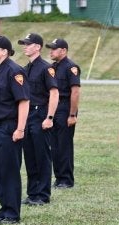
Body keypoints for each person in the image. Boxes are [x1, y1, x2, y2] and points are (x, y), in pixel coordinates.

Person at [0, 36, 30, 224]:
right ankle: (4, 209)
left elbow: (24, 101)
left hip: (9, 128)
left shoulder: (14, 71)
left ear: (4, 51)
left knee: (9, 172)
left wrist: (20, 129)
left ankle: (12, 214)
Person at [18, 33, 59, 205]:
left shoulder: (46, 67)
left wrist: (49, 117)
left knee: (42, 156)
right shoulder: (26, 68)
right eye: (24, 44)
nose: (25, 47)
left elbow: (54, 92)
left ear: (38, 47)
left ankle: (43, 194)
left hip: (40, 114)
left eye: (28, 44)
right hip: (28, 116)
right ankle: (32, 193)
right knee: (30, 155)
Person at [45, 38, 80, 189]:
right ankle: (58, 178)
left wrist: (72, 114)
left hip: (65, 108)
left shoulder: (71, 67)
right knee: (54, 145)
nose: (51, 51)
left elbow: (75, 91)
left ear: (63, 50)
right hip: (53, 109)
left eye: (54, 48)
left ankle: (66, 179)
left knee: (64, 145)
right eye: (50, 48)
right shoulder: (52, 67)